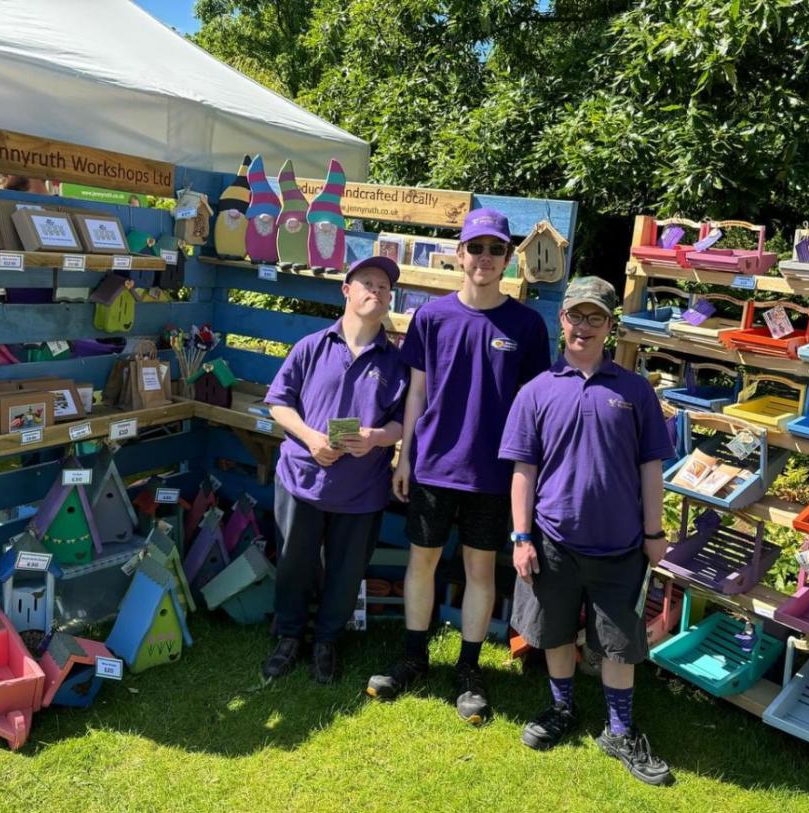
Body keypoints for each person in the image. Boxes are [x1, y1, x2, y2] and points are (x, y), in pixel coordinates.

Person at [366, 208, 550, 724]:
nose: (484, 258)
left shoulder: (527, 325)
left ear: (508, 259)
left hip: (493, 474)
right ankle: (413, 656)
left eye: (495, 250)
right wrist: (404, 457)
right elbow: (417, 392)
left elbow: (534, 404)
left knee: (478, 570)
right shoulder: (431, 318)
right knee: (420, 563)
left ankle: (469, 670)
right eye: (476, 248)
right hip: (432, 467)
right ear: (459, 254)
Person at [499, 276, 675, 786]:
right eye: (576, 315)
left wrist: (654, 532)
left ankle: (620, 729)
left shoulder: (634, 390)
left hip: (620, 546)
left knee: (620, 643)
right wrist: (521, 537)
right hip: (552, 541)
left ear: (608, 325)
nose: (584, 326)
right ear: (562, 320)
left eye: (595, 317)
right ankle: (563, 708)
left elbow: (650, 468)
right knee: (553, 631)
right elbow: (523, 470)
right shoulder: (536, 391)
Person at [263, 256, 408, 684]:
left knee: (346, 573)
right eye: (367, 283)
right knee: (293, 565)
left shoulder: (395, 362)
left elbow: (404, 419)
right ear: (346, 290)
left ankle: (327, 641)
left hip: (360, 489)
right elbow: (278, 403)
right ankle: (288, 637)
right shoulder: (312, 346)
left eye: (383, 288)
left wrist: (379, 438)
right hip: (302, 478)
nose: (376, 292)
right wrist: (310, 438)